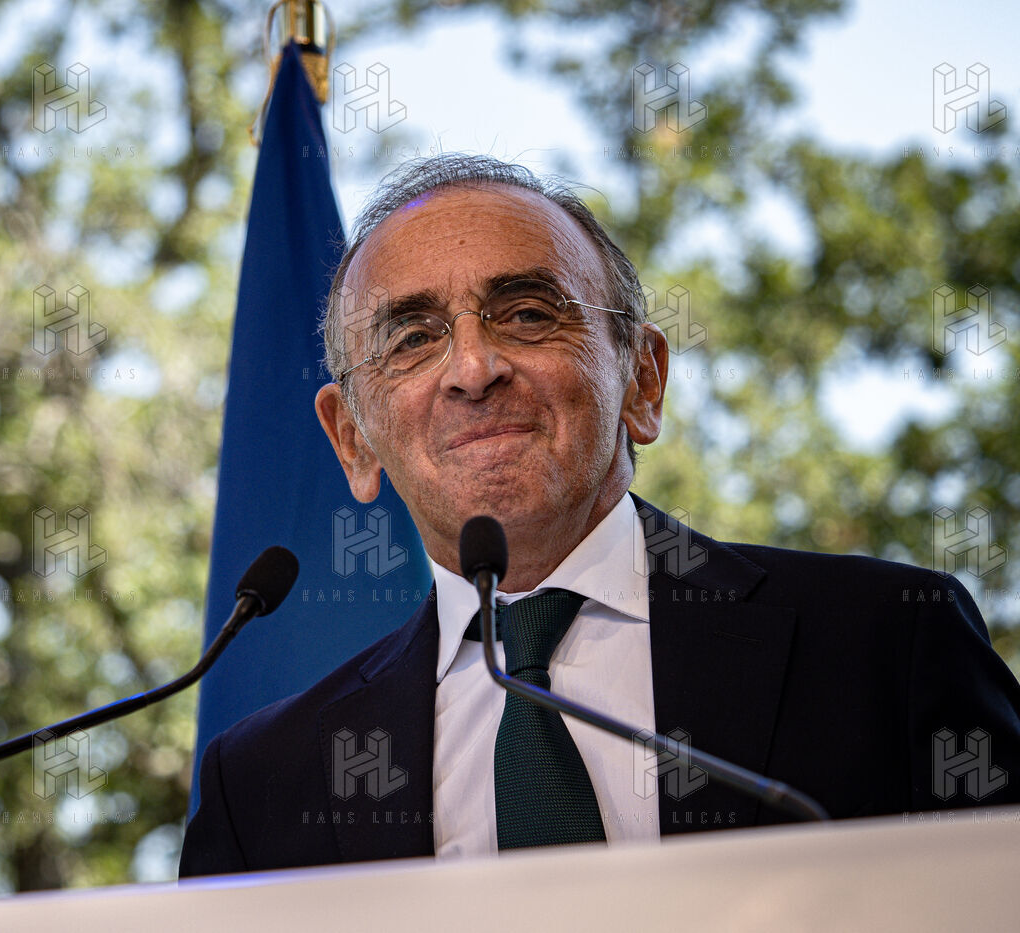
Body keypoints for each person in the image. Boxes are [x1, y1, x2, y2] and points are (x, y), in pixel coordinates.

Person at [178, 154, 1020, 876]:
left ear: (642, 380)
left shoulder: (888, 645)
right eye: (412, 338)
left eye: (528, 314)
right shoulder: (259, 784)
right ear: (352, 439)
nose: (473, 367)